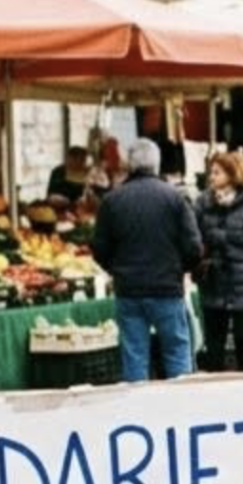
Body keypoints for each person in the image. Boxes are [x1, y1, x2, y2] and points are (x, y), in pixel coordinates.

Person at [91, 139, 202, 382]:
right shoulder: (175, 198)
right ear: (157, 163)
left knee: (134, 355)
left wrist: (116, 270)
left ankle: (137, 410)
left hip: (128, 290)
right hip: (167, 288)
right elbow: (194, 247)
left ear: (129, 164)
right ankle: (182, 408)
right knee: (176, 352)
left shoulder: (112, 201)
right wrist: (179, 269)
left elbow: (99, 248)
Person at [195, 151, 243, 371]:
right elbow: (193, 239)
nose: (211, 177)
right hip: (213, 286)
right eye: (211, 172)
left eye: (217, 172)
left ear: (233, 174)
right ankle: (216, 398)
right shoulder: (202, 203)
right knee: (214, 350)